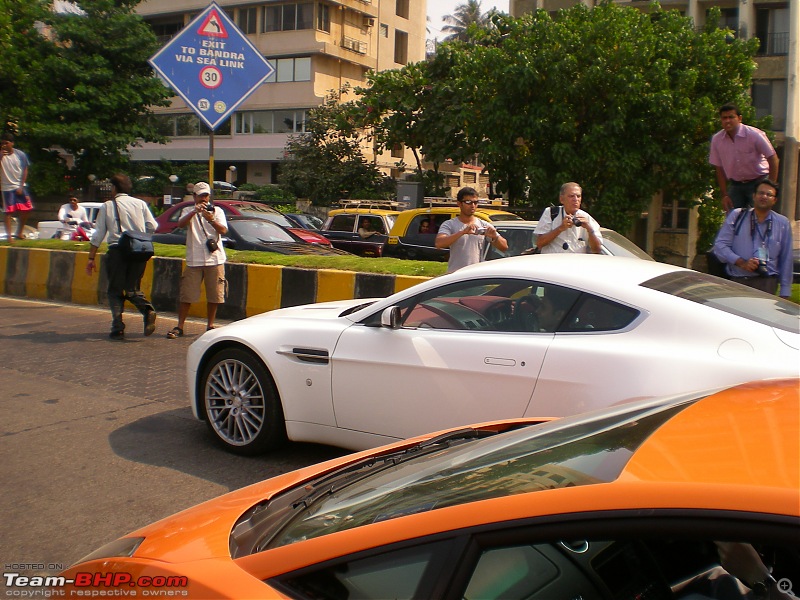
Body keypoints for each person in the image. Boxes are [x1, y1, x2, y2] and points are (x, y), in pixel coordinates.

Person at [86, 174, 158, 340]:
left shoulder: (108, 206)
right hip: (140, 250)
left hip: (118, 251)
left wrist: (91, 258)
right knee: (133, 288)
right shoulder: (140, 204)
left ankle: (118, 326)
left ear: (114, 188)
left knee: (115, 290)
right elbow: (153, 226)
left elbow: (98, 234)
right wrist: (140, 235)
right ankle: (147, 310)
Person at [166, 182, 228, 339]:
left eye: (206, 195)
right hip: (194, 259)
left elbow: (223, 230)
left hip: (214, 259)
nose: (204, 199)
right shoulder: (188, 210)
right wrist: (194, 211)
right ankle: (180, 326)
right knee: (187, 294)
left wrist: (211, 219)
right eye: (200, 195)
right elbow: (180, 224)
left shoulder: (217, 211)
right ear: (194, 196)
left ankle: (210, 325)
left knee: (214, 295)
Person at [712, 179, 792, 298]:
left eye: (769, 194)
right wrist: (741, 262)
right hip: (738, 281)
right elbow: (720, 246)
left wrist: (785, 290)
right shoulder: (737, 215)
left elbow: (786, 258)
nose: (764, 196)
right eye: (760, 193)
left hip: (767, 283)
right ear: (753, 196)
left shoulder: (782, 223)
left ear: (775, 200)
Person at [709, 103, 779, 213]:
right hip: (736, 185)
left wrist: (770, 186)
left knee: (758, 218)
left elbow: (773, 158)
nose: (727, 121)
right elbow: (719, 168)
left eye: (731, 117)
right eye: (724, 118)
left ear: (739, 118)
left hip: (758, 181)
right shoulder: (717, 140)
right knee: (733, 220)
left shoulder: (754, 135)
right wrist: (724, 194)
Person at [435, 187, 507, 273]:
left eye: (475, 202)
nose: (472, 205)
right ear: (459, 203)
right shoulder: (449, 224)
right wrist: (462, 232)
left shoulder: (483, 224)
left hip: (476, 276)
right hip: (455, 275)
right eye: (468, 202)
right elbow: (439, 243)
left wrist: (494, 237)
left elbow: (504, 247)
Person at [535, 182, 602, 254]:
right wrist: (560, 228)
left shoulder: (586, 218)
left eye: (578, 196)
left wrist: (589, 229)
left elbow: (597, 250)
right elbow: (539, 243)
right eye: (571, 196)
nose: (575, 199)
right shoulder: (551, 213)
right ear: (561, 199)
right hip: (553, 263)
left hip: (575, 264)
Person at [1, 132, 33, 242]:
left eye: (7, 143)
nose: (4, 145)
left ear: (12, 143)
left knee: (27, 208)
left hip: (19, 186)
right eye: (3, 143)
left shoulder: (20, 155)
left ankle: (19, 232)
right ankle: (9, 237)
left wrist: (21, 185)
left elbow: (25, 170)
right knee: (8, 212)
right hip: (7, 188)